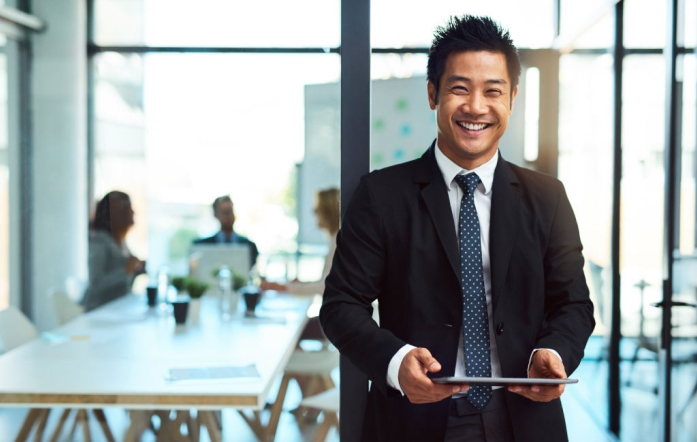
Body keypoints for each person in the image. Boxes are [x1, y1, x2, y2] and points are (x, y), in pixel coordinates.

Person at [319, 15, 595, 442]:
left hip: (523, 419)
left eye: (493, 91)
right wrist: (396, 361)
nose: (476, 107)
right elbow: (341, 305)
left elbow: (574, 304)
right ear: (433, 94)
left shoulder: (547, 197)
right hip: (413, 419)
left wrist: (552, 352)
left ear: (512, 99)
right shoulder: (381, 195)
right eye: (459, 88)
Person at [261, 187, 340, 297]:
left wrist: (285, 288)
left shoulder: (338, 240)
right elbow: (327, 282)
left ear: (328, 212)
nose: (314, 212)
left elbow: (325, 286)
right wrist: (299, 284)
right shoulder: (335, 239)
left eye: (318, 209)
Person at [81, 191, 146, 312]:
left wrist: (136, 270)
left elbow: (122, 282)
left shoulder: (120, 240)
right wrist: (127, 270)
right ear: (118, 212)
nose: (133, 212)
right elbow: (96, 283)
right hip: (99, 311)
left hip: (117, 309)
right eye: (129, 208)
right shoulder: (100, 241)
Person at [194, 195, 259, 268]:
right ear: (215, 215)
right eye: (225, 212)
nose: (229, 216)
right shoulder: (202, 246)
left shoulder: (249, 246)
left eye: (231, 211)